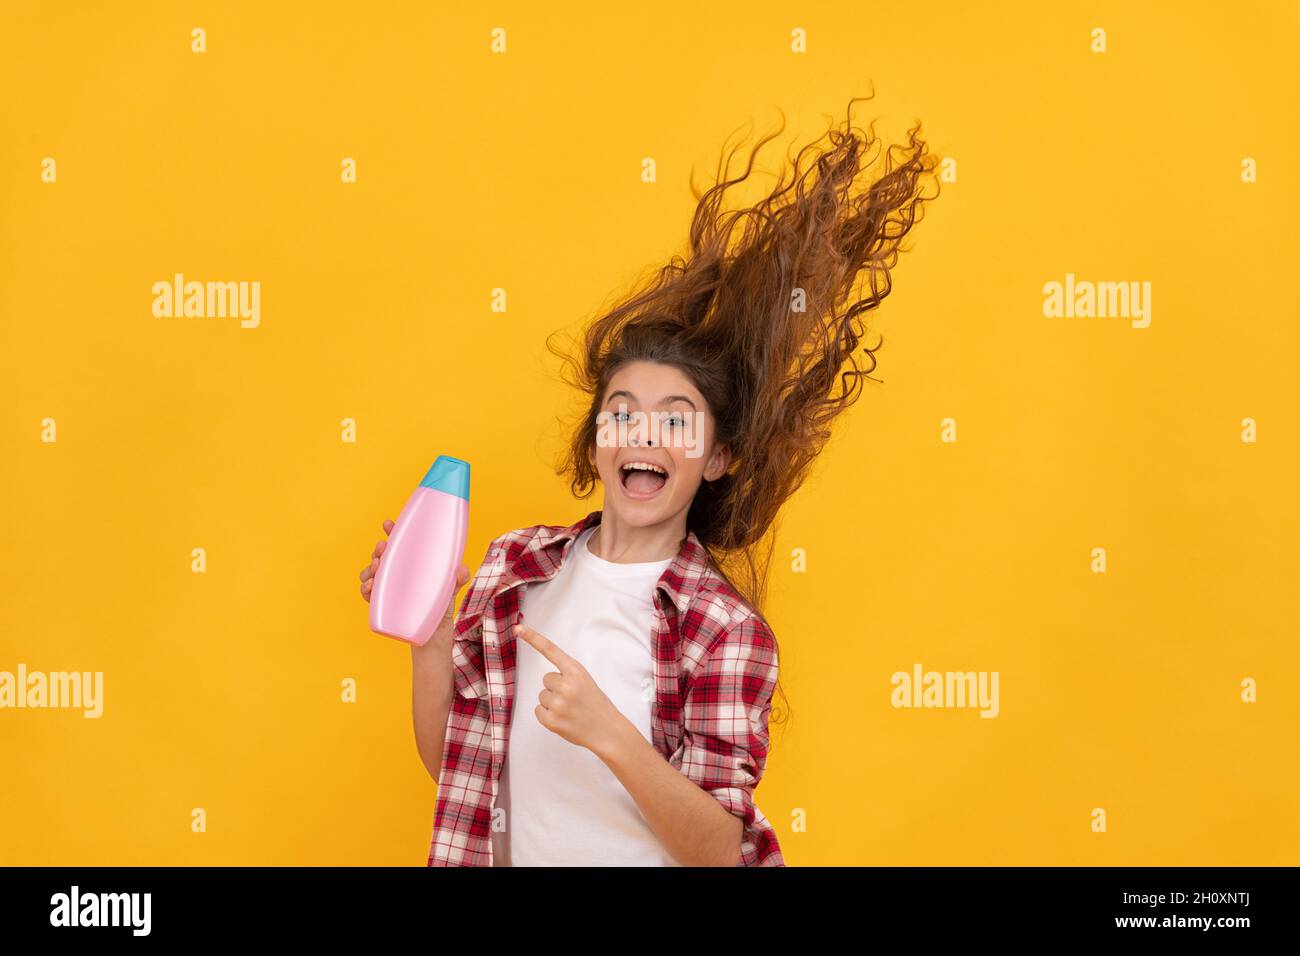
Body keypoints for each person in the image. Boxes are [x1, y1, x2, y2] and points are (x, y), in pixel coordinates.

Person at [359, 94, 939, 866]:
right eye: (623, 412)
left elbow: (715, 851)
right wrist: (429, 643)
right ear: (598, 440)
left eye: (675, 420)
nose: (643, 433)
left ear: (718, 457)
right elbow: (457, 773)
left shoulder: (724, 631)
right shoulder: (512, 569)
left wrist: (609, 734)